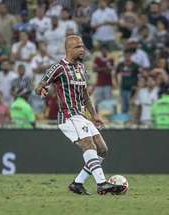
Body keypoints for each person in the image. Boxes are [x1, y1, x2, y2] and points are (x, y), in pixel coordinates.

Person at [35, 35, 125, 195]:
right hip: (68, 116)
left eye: (83, 46)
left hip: (82, 115)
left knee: (103, 150)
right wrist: (42, 90)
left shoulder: (81, 68)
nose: (82, 49)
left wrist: (94, 115)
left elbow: (84, 94)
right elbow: (39, 86)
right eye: (78, 47)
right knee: (88, 145)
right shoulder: (58, 67)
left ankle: (77, 183)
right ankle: (101, 183)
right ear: (69, 49)